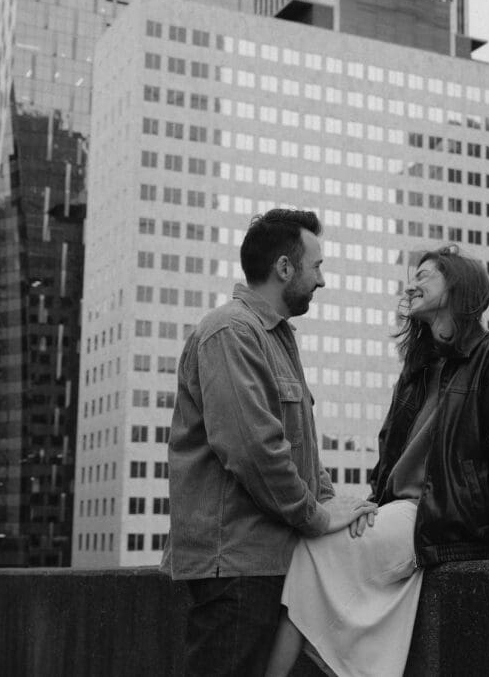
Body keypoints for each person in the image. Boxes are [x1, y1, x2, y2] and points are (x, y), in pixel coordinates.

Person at [266, 245, 489, 677]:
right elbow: (392, 450)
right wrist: (369, 507)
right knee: (309, 563)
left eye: (425, 275)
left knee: (312, 552)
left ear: (457, 287)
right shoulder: (419, 367)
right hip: (398, 511)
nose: (411, 284)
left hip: (441, 517)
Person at [160, 208, 377, 677]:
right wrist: (317, 516)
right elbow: (254, 449)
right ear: (284, 268)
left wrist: (334, 503)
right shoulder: (231, 332)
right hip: (237, 565)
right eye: (316, 266)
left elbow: (298, 447)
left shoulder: (274, 337)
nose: (321, 281)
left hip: (266, 563)